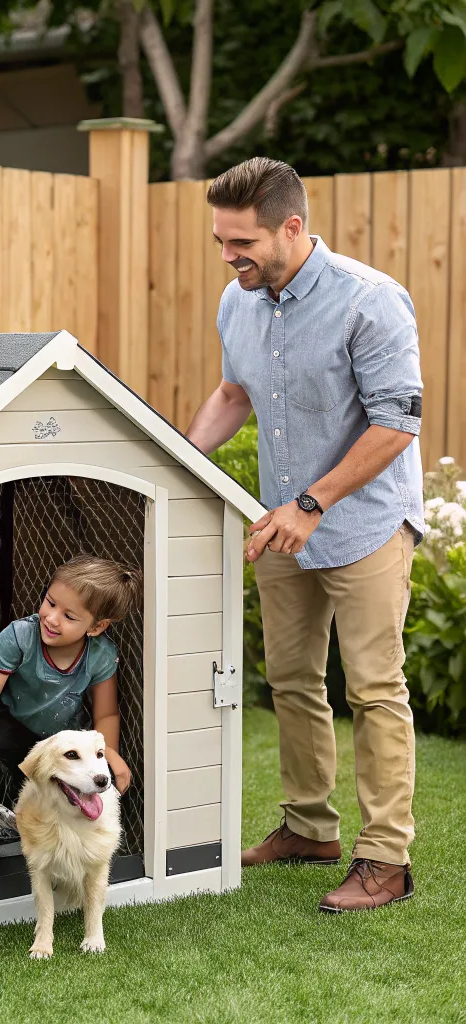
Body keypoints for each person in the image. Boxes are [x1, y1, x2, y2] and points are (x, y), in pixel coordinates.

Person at [186, 157, 424, 913]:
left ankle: (385, 860)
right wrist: (179, 465)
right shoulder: (239, 301)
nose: (230, 257)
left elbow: (397, 423)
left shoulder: (371, 302)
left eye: (242, 242)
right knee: (291, 680)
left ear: (293, 227)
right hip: (282, 525)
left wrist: (311, 504)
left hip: (363, 523)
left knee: (376, 689)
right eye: (222, 241)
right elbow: (233, 393)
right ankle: (308, 827)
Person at [0, 555, 139, 867]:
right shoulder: (20, 637)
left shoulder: (102, 656)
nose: (51, 618)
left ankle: (66, 845)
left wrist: (109, 755)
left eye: (69, 616)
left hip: (60, 734)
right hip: (11, 719)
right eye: (50, 603)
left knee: (95, 778)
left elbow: (107, 715)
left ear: (97, 626)